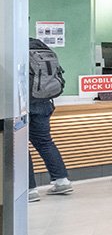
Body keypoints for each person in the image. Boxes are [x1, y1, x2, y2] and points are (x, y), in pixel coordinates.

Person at [27, 37, 73, 202]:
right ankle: (62, 181)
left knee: (20, 147)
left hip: (23, 104)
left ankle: (29, 189)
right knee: (45, 142)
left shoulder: (14, 47)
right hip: (44, 102)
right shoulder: (39, 45)